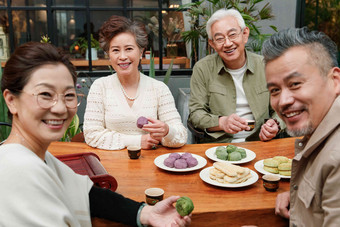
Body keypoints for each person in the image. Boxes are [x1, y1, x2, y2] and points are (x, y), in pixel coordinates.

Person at [0, 41, 191, 227]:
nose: (59, 108)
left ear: (142, 52)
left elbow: (87, 193)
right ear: (11, 100)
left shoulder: (39, 158)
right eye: (45, 95)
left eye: (68, 95)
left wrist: (145, 212)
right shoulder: (18, 171)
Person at [262, 27, 340, 226]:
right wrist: (298, 198)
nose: (283, 101)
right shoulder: (319, 131)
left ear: (335, 80)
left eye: (295, 83)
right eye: (275, 90)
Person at [83, 15, 187, 150]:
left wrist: (167, 131)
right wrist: (137, 141)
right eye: (115, 50)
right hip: (111, 164)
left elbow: (181, 136)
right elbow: (92, 135)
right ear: (109, 55)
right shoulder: (100, 87)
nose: (122, 57)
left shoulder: (159, 88)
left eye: (129, 49)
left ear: (141, 52)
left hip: (151, 165)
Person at [188, 8, 281, 143]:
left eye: (232, 35)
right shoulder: (203, 68)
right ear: (212, 44)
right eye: (219, 38)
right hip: (219, 147)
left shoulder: (266, 66)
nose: (227, 43)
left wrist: (276, 124)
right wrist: (221, 122)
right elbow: (196, 114)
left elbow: (282, 107)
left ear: (245, 34)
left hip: (260, 143)